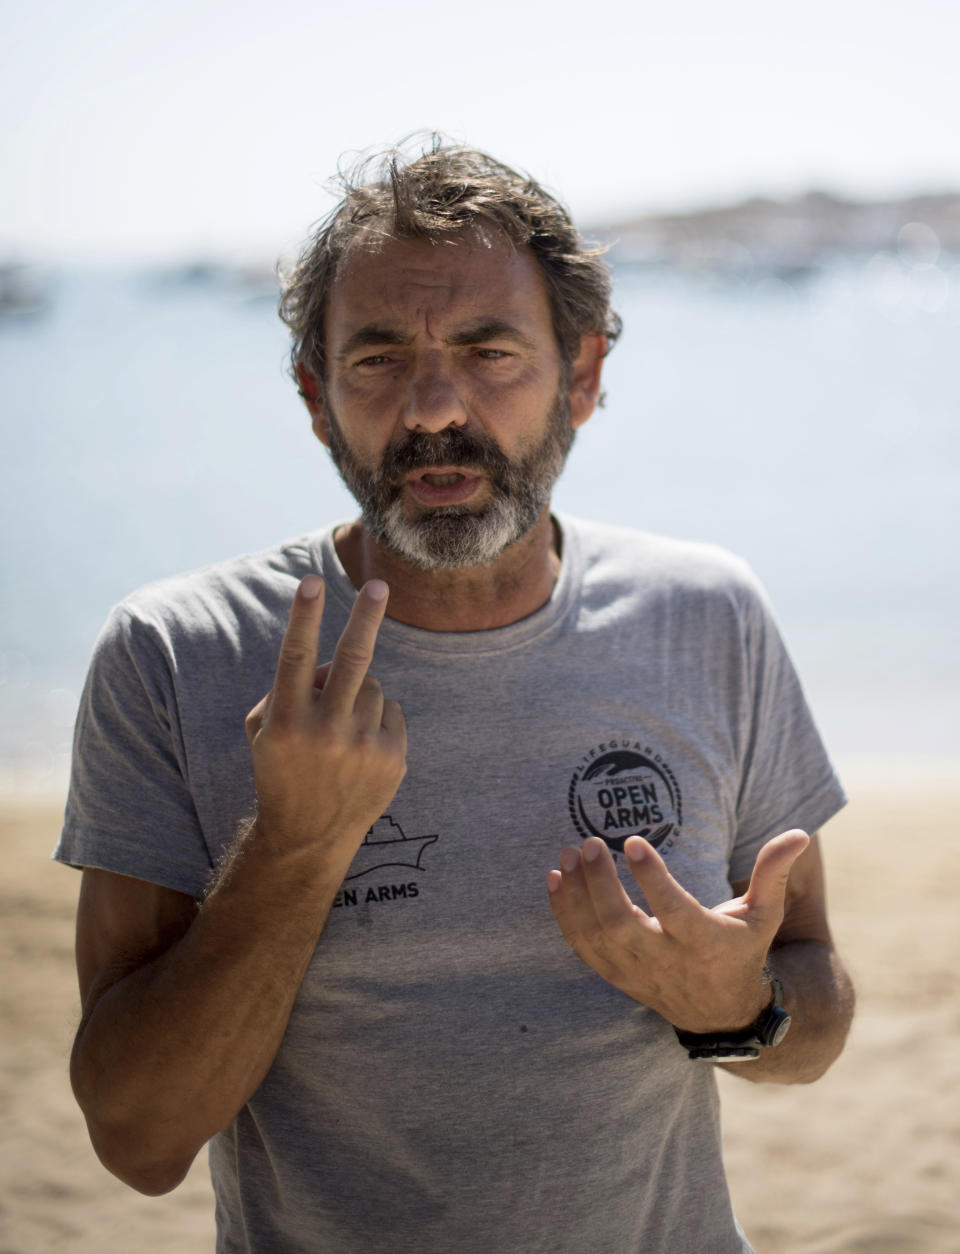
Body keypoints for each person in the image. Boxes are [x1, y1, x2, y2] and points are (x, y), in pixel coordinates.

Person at [57, 139, 854, 1253]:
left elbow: (815, 1018)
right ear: (315, 396)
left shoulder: (706, 615)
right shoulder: (174, 653)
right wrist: (294, 847)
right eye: (378, 359)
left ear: (580, 376)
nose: (436, 409)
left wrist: (736, 1012)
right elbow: (136, 1143)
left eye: (490, 352)